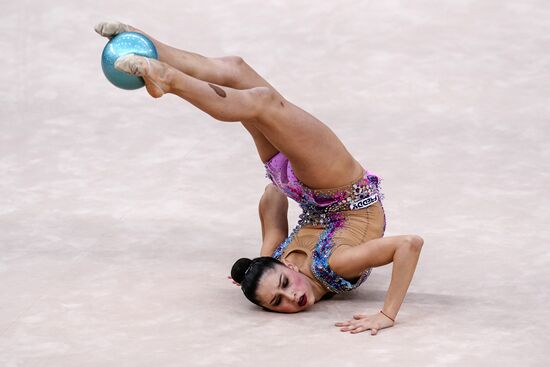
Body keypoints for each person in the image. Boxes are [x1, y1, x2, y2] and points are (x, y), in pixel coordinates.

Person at [95, 21, 424, 335]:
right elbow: (408, 245)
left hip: (317, 187)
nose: (291, 298)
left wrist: (293, 206)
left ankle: (153, 55)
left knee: (254, 94)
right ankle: (160, 67)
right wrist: (386, 314)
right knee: (248, 86)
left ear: (287, 268)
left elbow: (271, 200)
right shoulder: (337, 264)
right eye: (277, 302)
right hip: (337, 190)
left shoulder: (273, 256)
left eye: (280, 289)